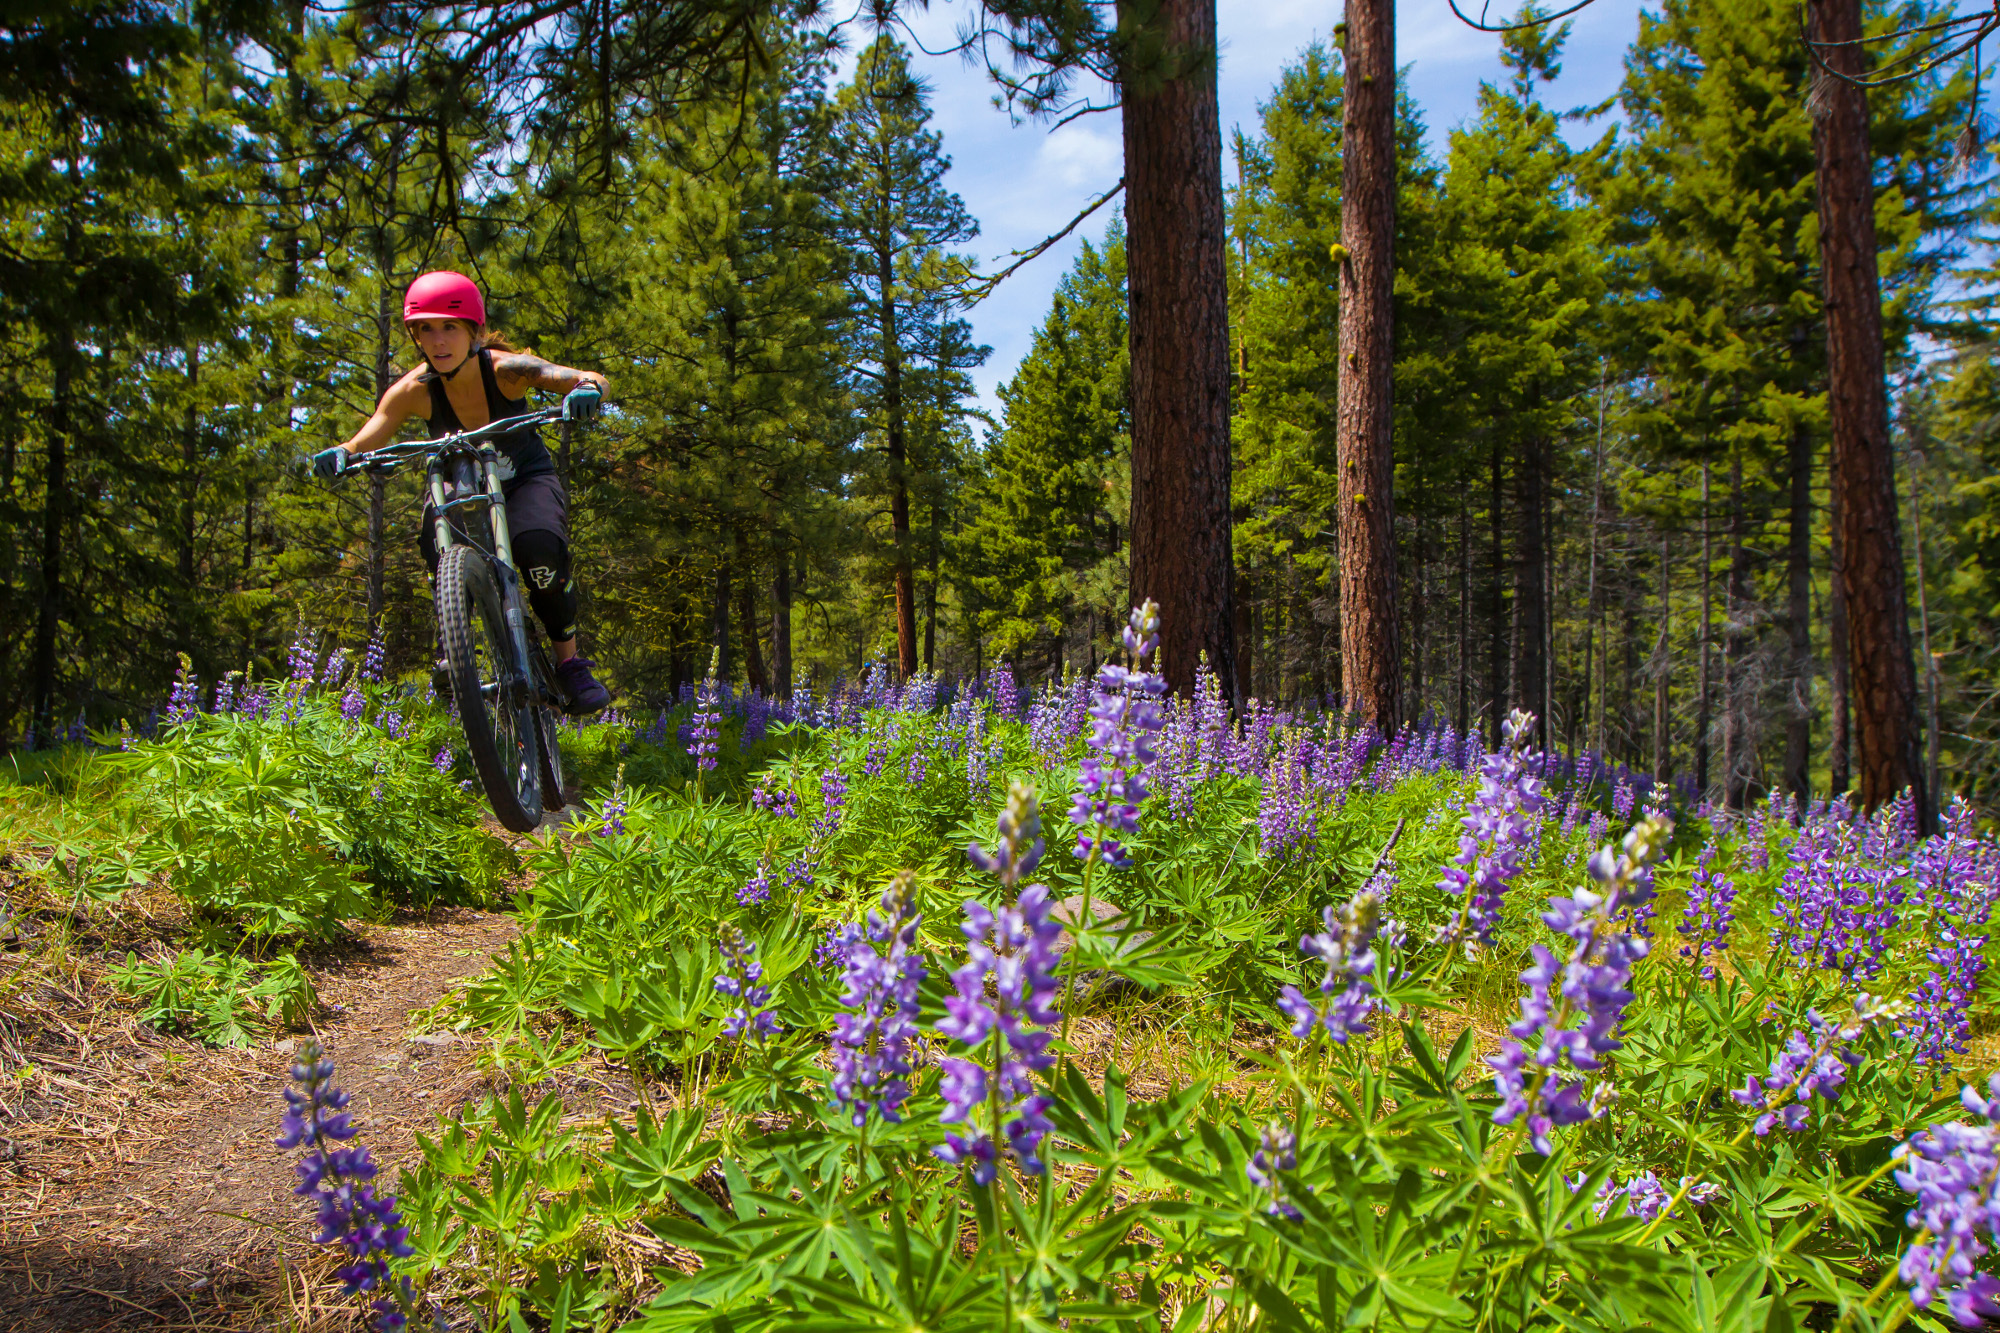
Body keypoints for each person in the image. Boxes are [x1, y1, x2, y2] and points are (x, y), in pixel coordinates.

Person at [311, 270, 612, 713]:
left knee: (539, 549)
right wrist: (344, 451)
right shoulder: (416, 389)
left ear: (473, 329)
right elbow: (375, 429)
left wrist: (587, 390)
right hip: (464, 487)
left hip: (525, 480)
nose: (438, 341)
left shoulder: (506, 371)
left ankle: (569, 664)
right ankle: (455, 650)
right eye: (425, 330)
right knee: (438, 537)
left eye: (449, 327)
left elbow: (583, 377)